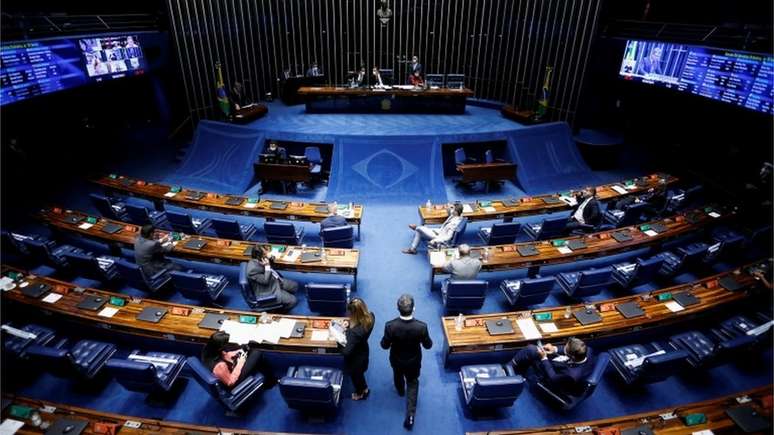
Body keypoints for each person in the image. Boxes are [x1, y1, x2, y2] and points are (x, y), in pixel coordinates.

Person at [381, 294, 432, 429]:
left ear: (397, 308)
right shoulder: (421, 327)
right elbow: (428, 345)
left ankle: (400, 391)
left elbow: (384, 345)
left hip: (396, 360)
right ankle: (410, 415)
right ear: (413, 309)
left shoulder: (390, 326)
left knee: (397, 375)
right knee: (413, 383)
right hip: (413, 362)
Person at [509, 337, 595, 397]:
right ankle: (520, 365)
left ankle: (508, 369)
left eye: (565, 349)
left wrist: (544, 358)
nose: (563, 348)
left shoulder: (571, 375)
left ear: (572, 356)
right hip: (566, 367)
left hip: (559, 380)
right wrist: (555, 349)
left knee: (530, 350)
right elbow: (568, 351)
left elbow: (553, 378)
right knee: (533, 350)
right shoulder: (587, 350)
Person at [201, 331, 277, 389]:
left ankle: (268, 379)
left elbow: (222, 354)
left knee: (246, 349)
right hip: (233, 382)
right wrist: (240, 363)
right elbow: (231, 382)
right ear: (220, 347)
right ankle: (270, 383)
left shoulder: (208, 349)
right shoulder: (220, 366)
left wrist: (235, 353)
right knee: (257, 353)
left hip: (226, 368)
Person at [336, 298, 375, 400]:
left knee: (356, 377)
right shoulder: (371, 317)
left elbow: (345, 352)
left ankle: (361, 393)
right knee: (360, 375)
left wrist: (339, 338)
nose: (348, 315)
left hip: (355, 361)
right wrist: (349, 324)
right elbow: (359, 324)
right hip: (363, 351)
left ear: (354, 315)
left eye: (350, 314)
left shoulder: (354, 333)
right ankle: (364, 389)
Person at [245, 245, 298, 311]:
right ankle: (277, 310)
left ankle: (284, 294)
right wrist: (267, 266)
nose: (267, 253)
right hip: (268, 289)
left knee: (294, 286)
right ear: (259, 256)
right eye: (265, 253)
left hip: (275, 280)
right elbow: (265, 281)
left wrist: (270, 257)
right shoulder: (252, 270)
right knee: (293, 301)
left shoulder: (261, 259)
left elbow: (272, 262)